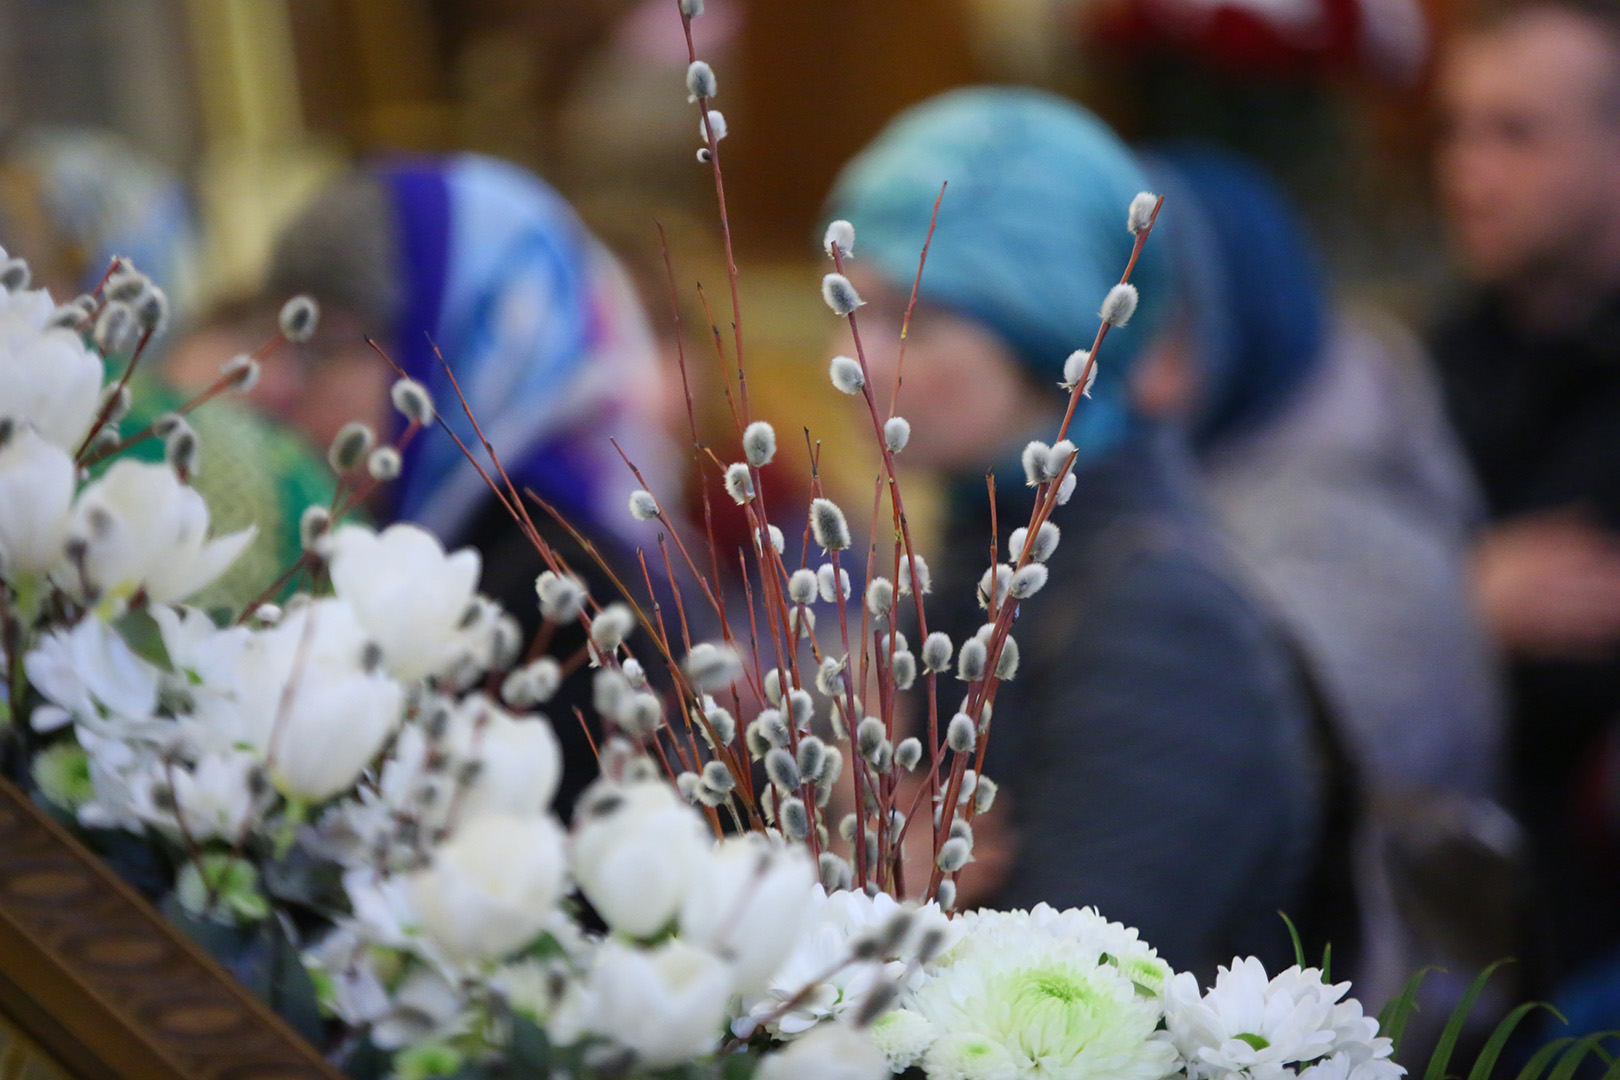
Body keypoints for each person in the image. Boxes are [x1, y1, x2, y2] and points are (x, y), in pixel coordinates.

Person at [825, 87, 1323, 979]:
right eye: (850, 310)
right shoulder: (971, 568)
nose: (861, 361)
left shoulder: (1161, 620)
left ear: (1047, 325)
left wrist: (878, 916)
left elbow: (1067, 1014)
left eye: (916, 317)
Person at [1139, 145, 1520, 1024]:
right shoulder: (1202, 469)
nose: (1089, 358)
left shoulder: (1350, 540)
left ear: (1227, 322)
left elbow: (1202, 798)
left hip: (1375, 1011)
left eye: (1143, 315)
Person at [266, 153, 676, 816]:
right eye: (283, 343)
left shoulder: (563, 587)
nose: (282, 386)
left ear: (450, 345)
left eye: (323, 348)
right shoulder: (412, 532)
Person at [1431, 0, 1620, 987]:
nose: (1468, 171)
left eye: (1515, 133)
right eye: (1454, 130)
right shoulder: (1435, 368)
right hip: (1487, 941)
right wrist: (1457, 603)